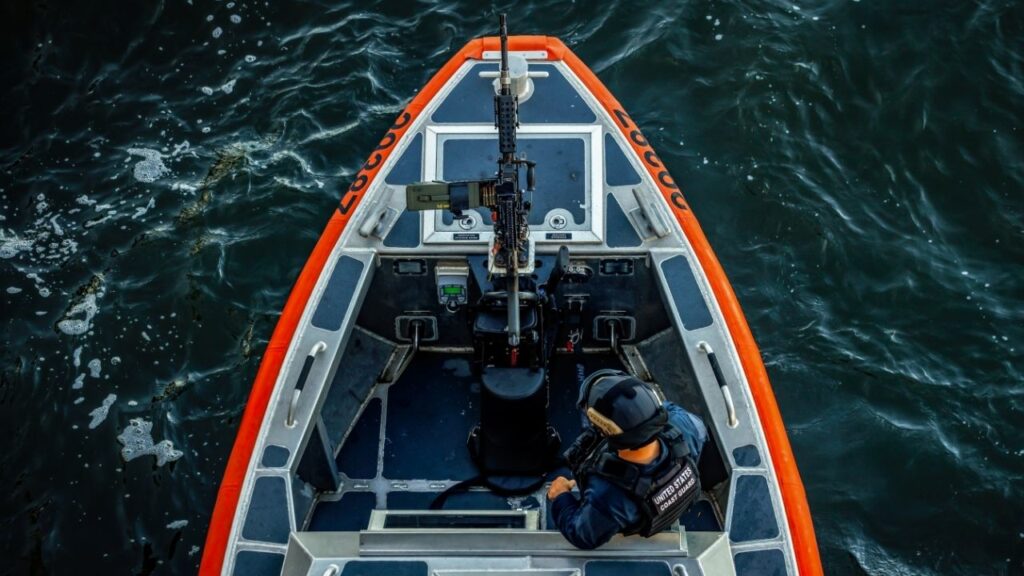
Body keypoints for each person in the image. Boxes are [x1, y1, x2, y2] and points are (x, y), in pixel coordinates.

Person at [547, 370, 708, 550]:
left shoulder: (610, 494)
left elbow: (582, 535)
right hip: (668, 506)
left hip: (629, 516)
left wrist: (561, 496)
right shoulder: (683, 426)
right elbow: (695, 428)